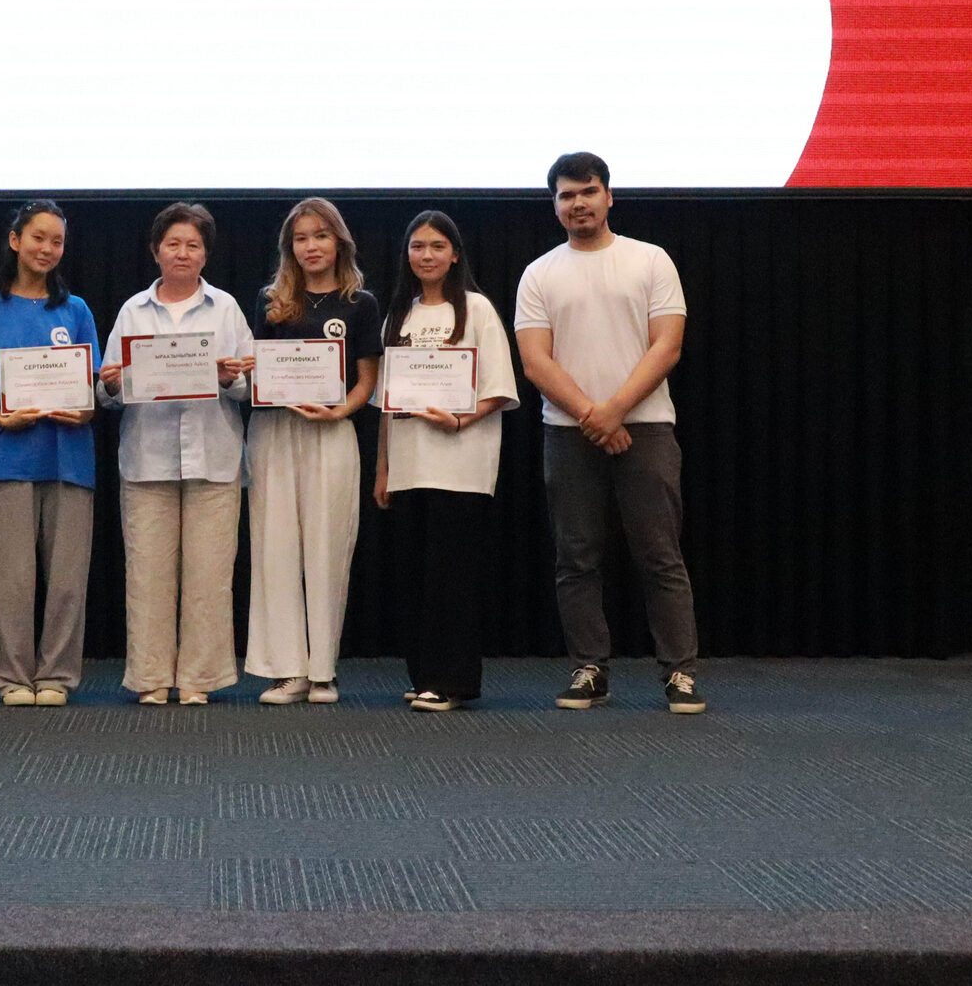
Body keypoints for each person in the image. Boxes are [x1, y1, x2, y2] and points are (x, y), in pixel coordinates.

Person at [513, 152, 706, 715]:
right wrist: (592, 417)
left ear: (609, 196)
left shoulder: (650, 260)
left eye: (588, 191)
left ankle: (680, 672)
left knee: (660, 555)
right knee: (576, 557)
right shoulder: (539, 273)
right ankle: (589, 668)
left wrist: (614, 411)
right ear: (555, 205)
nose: (578, 203)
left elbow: (667, 345)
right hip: (567, 433)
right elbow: (535, 361)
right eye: (567, 195)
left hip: (646, 428)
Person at [98, 203, 255, 705]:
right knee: (147, 574)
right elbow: (106, 390)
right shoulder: (133, 310)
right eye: (173, 244)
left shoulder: (226, 308)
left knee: (210, 577)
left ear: (205, 254)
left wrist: (230, 379)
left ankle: (198, 679)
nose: (183, 253)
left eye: (193, 245)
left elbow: (251, 385)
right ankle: (150, 677)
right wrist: (113, 383)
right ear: (155, 251)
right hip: (147, 458)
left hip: (213, 456)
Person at [373, 211, 518, 711]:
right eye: (417, 246)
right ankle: (424, 676)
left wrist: (459, 420)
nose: (426, 255)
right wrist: (383, 469)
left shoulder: (477, 309)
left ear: (455, 254)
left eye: (437, 246)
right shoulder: (399, 314)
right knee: (415, 576)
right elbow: (387, 402)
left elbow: (499, 387)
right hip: (410, 464)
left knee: (451, 579)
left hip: (461, 464)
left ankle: (452, 681)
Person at [0, 200, 99, 707]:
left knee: (66, 581)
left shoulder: (76, 309)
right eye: (38, 237)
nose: (47, 249)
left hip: (70, 459)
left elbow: (91, 387)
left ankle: (57, 676)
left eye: (56, 241)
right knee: (12, 581)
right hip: (10, 458)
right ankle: (14, 677)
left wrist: (84, 411)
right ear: (15, 240)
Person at [245, 197, 381, 704]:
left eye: (320, 236)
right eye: (300, 238)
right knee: (275, 548)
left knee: (328, 548)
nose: (311, 247)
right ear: (290, 247)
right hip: (274, 432)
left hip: (331, 432)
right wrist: (246, 372)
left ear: (339, 242)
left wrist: (340, 411)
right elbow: (259, 372)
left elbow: (367, 380)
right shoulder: (271, 300)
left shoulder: (360, 303)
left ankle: (323, 671)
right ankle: (287, 671)